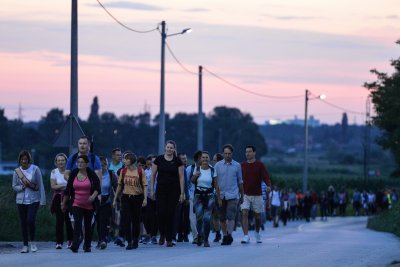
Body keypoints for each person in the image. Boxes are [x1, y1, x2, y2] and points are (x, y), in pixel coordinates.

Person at [62, 155, 101, 253]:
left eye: (82, 162)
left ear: (87, 164)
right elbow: (68, 189)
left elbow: (97, 188)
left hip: (89, 205)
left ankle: (87, 245)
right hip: (76, 203)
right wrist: (64, 203)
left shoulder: (91, 174)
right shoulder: (74, 173)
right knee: (77, 223)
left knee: (88, 226)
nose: (79, 164)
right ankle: (75, 245)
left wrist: (93, 196)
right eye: (78, 162)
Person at [150, 140, 185, 247]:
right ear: (165, 148)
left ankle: (169, 238)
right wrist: (152, 190)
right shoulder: (158, 160)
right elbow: (153, 175)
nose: (169, 149)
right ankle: (162, 234)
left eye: (171, 148)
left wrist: (182, 193)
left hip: (174, 191)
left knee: (170, 214)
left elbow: (181, 177)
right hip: (161, 191)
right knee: (160, 213)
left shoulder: (177, 161)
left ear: (174, 149)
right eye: (168, 147)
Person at [12, 150, 46, 253]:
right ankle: (25, 245)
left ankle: (33, 243)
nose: (24, 161)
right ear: (20, 160)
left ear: (29, 159)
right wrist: (22, 187)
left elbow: (40, 184)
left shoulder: (35, 169)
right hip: (21, 201)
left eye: (26, 159)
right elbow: (14, 186)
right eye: (22, 159)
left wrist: (42, 200)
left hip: (34, 200)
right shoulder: (16, 171)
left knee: (30, 220)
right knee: (23, 223)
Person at [113, 152, 147, 250]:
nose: (123, 160)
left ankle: (135, 238)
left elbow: (144, 185)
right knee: (126, 220)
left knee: (136, 220)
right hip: (126, 197)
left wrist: (145, 199)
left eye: (126, 159)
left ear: (131, 161)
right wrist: (115, 199)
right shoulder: (123, 171)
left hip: (137, 197)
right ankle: (129, 240)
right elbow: (119, 185)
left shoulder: (140, 171)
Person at [240, 145, 271, 244]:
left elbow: (266, 177)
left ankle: (257, 232)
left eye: (249, 151)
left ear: (254, 153)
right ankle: (246, 236)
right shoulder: (242, 165)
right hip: (245, 194)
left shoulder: (260, 165)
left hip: (257, 194)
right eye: (246, 152)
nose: (247, 153)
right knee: (244, 212)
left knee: (257, 216)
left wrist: (268, 186)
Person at [214, 144, 244, 245]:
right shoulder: (217, 165)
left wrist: (242, 195)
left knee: (231, 216)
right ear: (223, 154)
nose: (227, 155)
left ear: (232, 154)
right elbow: (215, 182)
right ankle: (225, 235)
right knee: (222, 217)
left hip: (232, 195)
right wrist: (217, 196)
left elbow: (240, 181)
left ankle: (229, 235)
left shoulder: (237, 165)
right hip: (221, 195)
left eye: (229, 154)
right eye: (225, 153)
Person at [191, 151, 221, 247]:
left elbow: (216, 185)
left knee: (207, 218)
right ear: (200, 159)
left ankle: (206, 239)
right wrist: (195, 176)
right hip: (199, 195)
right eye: (203, 157)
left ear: (209, 159)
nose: (204, 159)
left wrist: (219, 198)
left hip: (210, 195)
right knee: (199, 218)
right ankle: (200, 235)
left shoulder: (212, 170)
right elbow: (192, 181)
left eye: (206, 157)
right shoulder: (197, 168)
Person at [50, 153, 73, 249]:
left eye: (62, 160)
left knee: (69, 219)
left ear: (66, 161)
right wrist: (64, 186)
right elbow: (53, 186)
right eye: (59, 160)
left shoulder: (70, 172)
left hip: (69, 197)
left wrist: (63, 187)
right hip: (58, 197)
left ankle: (70, 240)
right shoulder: (54, 172)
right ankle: (59, 242)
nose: (61, 162)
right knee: (59, 220)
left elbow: (72, 185)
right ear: (56, 162)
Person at [96, 156, 118, 249]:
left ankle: (103, 240)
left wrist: (117, 199)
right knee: (97, 221)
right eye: (100, 165)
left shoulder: (110, 174)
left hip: (107, 199)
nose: (102, 167)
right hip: (96, 200)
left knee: (103, 220)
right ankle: (100, 239)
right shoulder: (94, 174)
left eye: (104, 164)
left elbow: (116, 187)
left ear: (107, 165)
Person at [186, 150, 203, 244]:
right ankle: (196, 236)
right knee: (192, 217)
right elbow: (186, 182)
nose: (204, 159)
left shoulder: (208, 168)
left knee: (202, 217)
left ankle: (202, 235)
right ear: (197, 159)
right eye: (201, 157)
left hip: (204, 195)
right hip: (192, 195)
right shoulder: (190, 168)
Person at [175, 153, 190, 243]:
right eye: (182, 159)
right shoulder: (178, 168)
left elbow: (186, 184)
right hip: (177, 195)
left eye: (185, 158)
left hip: (185, 195)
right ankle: (180, 234)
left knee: (186, 216)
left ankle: (186, 234)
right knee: (179, 216)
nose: (184, 160)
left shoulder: (186, 168)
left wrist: (186, 196)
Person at [143, 155, 158, 245]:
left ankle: (154, 235)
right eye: (152, 162)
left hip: (158, 196)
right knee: (146, 216)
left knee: (155, 217)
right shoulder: (145, 172)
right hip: (147, 196)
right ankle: (148, 233)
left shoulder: (160, 172)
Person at [211, 153, 223, 242]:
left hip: (223, 194)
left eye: (214, 160)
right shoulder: (211, 169)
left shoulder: (223, 170)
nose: (213, 161)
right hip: (214, 194)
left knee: (223, 215)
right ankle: (218, 233)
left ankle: (226, 232)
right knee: (215, 215)